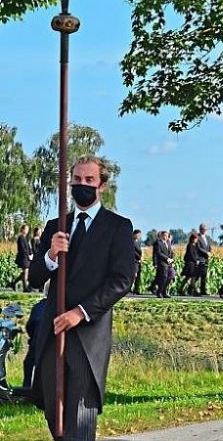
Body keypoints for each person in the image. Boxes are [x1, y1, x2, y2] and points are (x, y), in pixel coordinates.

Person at [27, 155, 137, 440]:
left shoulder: (118, 227)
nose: (82, 185)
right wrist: (51, 255)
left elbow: (122, 279)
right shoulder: (56, 226)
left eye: (89, 180)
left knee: (80, 418)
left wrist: (81, 311)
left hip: (88, 337)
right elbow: (35, 278)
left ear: (102, 186)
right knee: (55, 414)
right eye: (76, 180)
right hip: (53, 335)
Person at [176, 232, 202, 296]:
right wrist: (196, 260)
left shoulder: (194, 246)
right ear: (193, 239)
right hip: (190, 264)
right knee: (191, 277)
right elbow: (191, 255)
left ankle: (181, 289)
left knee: (188, 278)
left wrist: (198, 259)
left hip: (193, 264)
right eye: (196, 239)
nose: (196, 240)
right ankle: (194, 291)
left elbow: (196, 254)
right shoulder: (190, 245)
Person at [8, 223, 32, 291]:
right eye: (26, 229)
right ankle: (25, 288)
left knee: (24, 273)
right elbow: (22, 248)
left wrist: (31, 253)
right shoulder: (20, 237)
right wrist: (28, 255)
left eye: (28, 229)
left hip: (26, 257)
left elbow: (28, 248)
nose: (27, 230)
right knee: (25, 271)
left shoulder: (25, 238)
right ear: (22, 229)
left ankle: (13, 283)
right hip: (23, 257)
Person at [152, 231, 175, 298]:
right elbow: (158, 253)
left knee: (170, 277)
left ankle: (164, 291)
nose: (166, 237)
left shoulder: (168, 242)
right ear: (162, 236)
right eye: (165, 235)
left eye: (167, 235)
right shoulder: (158, 243)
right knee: (164, 277)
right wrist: (167, 258)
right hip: (162, 263)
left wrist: (172, 260)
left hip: (169, 263)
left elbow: (170, 252)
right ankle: (159, 292)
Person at [195, 223, 212, 296]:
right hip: (200, 259)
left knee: (204, 275)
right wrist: (206, 253)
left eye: (205, 229)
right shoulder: (197, 237)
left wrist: (210, 253)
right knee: (198, 275)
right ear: (200, 229)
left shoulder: (206, 238)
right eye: (203, 229)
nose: (204, 230)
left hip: (205, 259)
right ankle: (192, 289)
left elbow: (208, 247)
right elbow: (198, 248)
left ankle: (203, 290)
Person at [130, 229, 143, 295]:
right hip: (133, 261)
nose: (139, 236)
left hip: (138, 261)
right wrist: (139, 257)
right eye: (138, 235)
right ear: (134, 234)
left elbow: (140, 251)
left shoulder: (138, 242)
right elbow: (132, 252)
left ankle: (136, 289)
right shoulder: (131, 242)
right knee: (134, 275)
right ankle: (130, 288)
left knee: (138, 276)